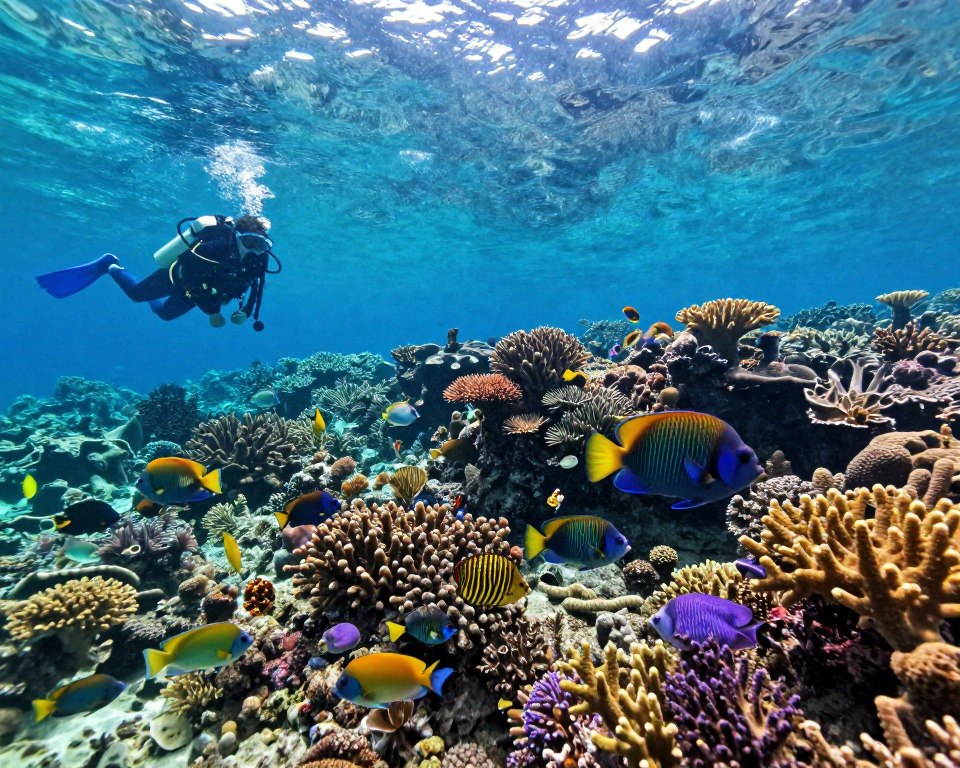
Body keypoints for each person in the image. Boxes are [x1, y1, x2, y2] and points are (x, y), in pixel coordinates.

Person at [36, 214, 279, 330]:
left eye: (261, 246)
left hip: (205, 294)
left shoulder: (257, 260)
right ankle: (109, 265)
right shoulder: (214, 248)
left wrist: (245, 312)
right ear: (237, 237)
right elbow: (192, 276)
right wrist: (213, 311)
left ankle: (153, 298)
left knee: (164, 314)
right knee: (136, 294)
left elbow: (256, 290)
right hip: (178, 278)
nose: (255, 251)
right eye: (250, 242)